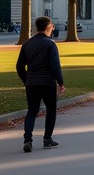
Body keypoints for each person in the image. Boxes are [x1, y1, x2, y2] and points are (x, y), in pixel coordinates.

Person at [16, 15, 65, 153]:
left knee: (32, 110)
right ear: (49, 27)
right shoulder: (50, 44)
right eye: (52, 26)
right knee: (51, 109)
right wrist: (61, 82)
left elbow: (19, 67)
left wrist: (27, 80)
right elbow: (55, 66)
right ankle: (47, 139)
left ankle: (28, 139)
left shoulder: (27, 44)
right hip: (48, 82)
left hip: (32, 82)